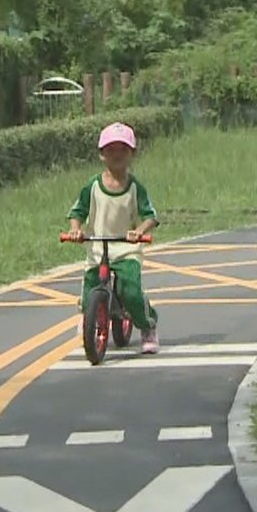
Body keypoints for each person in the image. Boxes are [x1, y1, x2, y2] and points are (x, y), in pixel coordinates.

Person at [67, 121, 162, 353]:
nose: (117, 155)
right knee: (89, 288)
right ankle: (89, 317)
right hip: (98, 247)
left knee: (130, 290)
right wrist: (76, 229)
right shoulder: (93, 186)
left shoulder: (134, 187)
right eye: (111, 150)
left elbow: (151, 216)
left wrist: (139, 232)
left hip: (126, 249)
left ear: (132, 154)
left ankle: (147, 326)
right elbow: (77, 212)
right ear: (102, 154)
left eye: (123, 150)